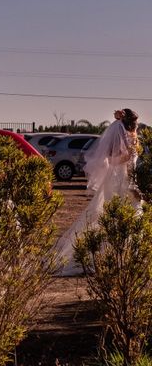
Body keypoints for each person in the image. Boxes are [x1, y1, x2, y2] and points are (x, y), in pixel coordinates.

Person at [54, 108, 140, 276]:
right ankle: (109, 255)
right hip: (121, 182)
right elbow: (120, 160)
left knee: (120, 216)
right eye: (136, 123)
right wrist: (131, 182)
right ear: (132, 124)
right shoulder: (128, 142)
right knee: (114, 216)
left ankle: (125, 255)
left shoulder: (132, 140)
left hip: (121, 181)